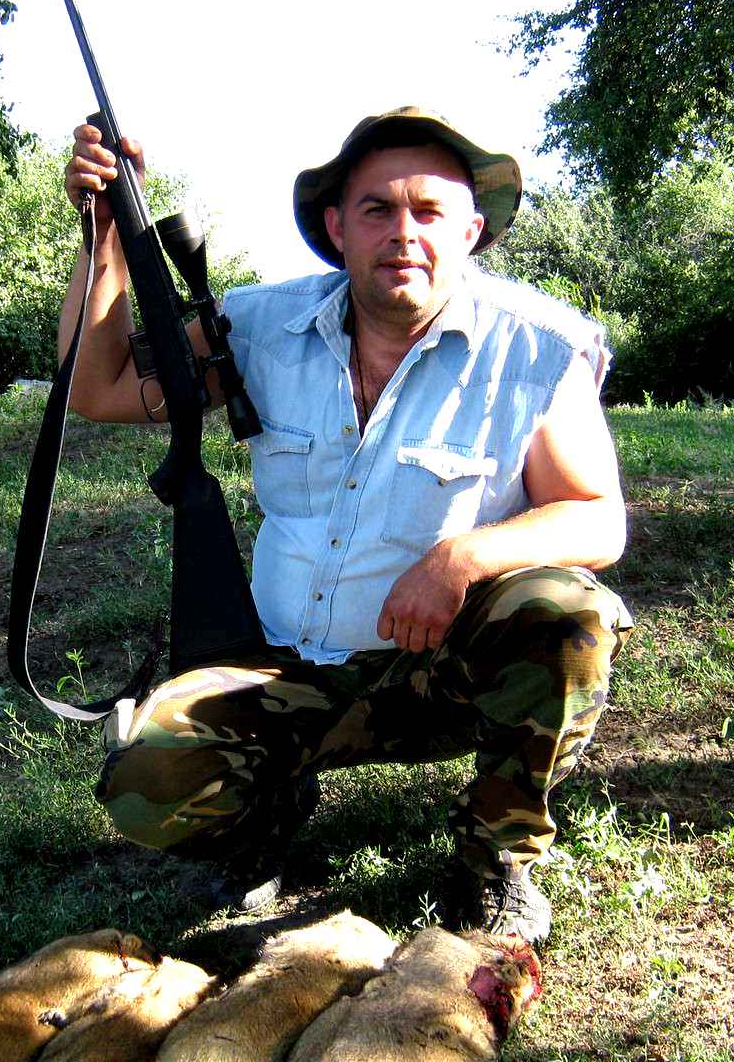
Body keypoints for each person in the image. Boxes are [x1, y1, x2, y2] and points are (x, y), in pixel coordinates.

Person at [57, 107, 632, 944]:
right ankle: (269, 809)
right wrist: (104, 230)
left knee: (568, 616)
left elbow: (599, 515)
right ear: (335, 226)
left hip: (441, 676)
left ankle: (496, 856)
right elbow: (99, 386)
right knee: (148, 782)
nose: (404, 234)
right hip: (285, 671)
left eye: (429, 212)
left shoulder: (536, 347)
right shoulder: (258, 327)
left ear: (470, 231)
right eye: (377, 210)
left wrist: (462, 557)